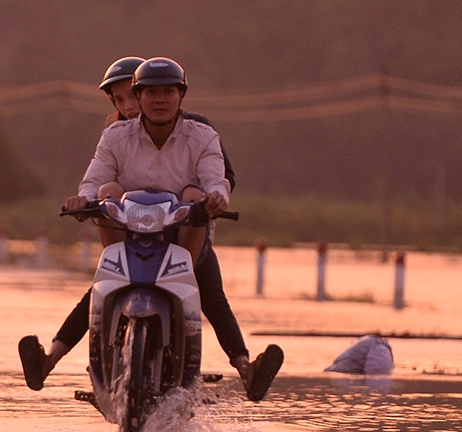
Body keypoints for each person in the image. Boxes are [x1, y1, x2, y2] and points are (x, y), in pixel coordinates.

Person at [19, 57, 282, 401]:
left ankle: (247, 369)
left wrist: (216, 198)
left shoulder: (202, 134)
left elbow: (217, 178)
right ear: (136, 97)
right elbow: (95, 178)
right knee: (105, 224)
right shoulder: (115, 136)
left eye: (168, 92)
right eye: (145, 94)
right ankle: (48, 361)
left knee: (211, 291)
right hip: (128, 239)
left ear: (181, 96)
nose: (157, 100)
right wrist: (82, 201)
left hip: (184, 239)